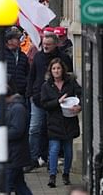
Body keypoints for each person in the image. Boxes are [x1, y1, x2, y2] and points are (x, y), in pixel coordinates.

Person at [26, 34, 73, 171]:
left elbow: (69, 77)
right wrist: (30, 93)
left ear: (56, 44)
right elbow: (32, 75)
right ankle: (33, 158)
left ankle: (50, 158)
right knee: (34, 128)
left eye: (48, 44)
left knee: (52, 130)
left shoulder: (63, 59)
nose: (45, 46)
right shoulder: (38, 57)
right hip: (38, 98)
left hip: (56, 100)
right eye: (44, 43)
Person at [40, 58, 82, 187]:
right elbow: (44, 104)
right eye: (54, 69)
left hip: (69, 120)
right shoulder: (46, 86)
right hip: (54, 121)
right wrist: (57, 102)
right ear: (50, 71)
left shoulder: (70, 83)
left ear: (62, 69)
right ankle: (52, 176)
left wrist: (79, 106)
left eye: (58, 68)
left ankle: (66, 174)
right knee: (54, 149)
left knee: (68, 150)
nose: (56, 71)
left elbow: (81, 94)